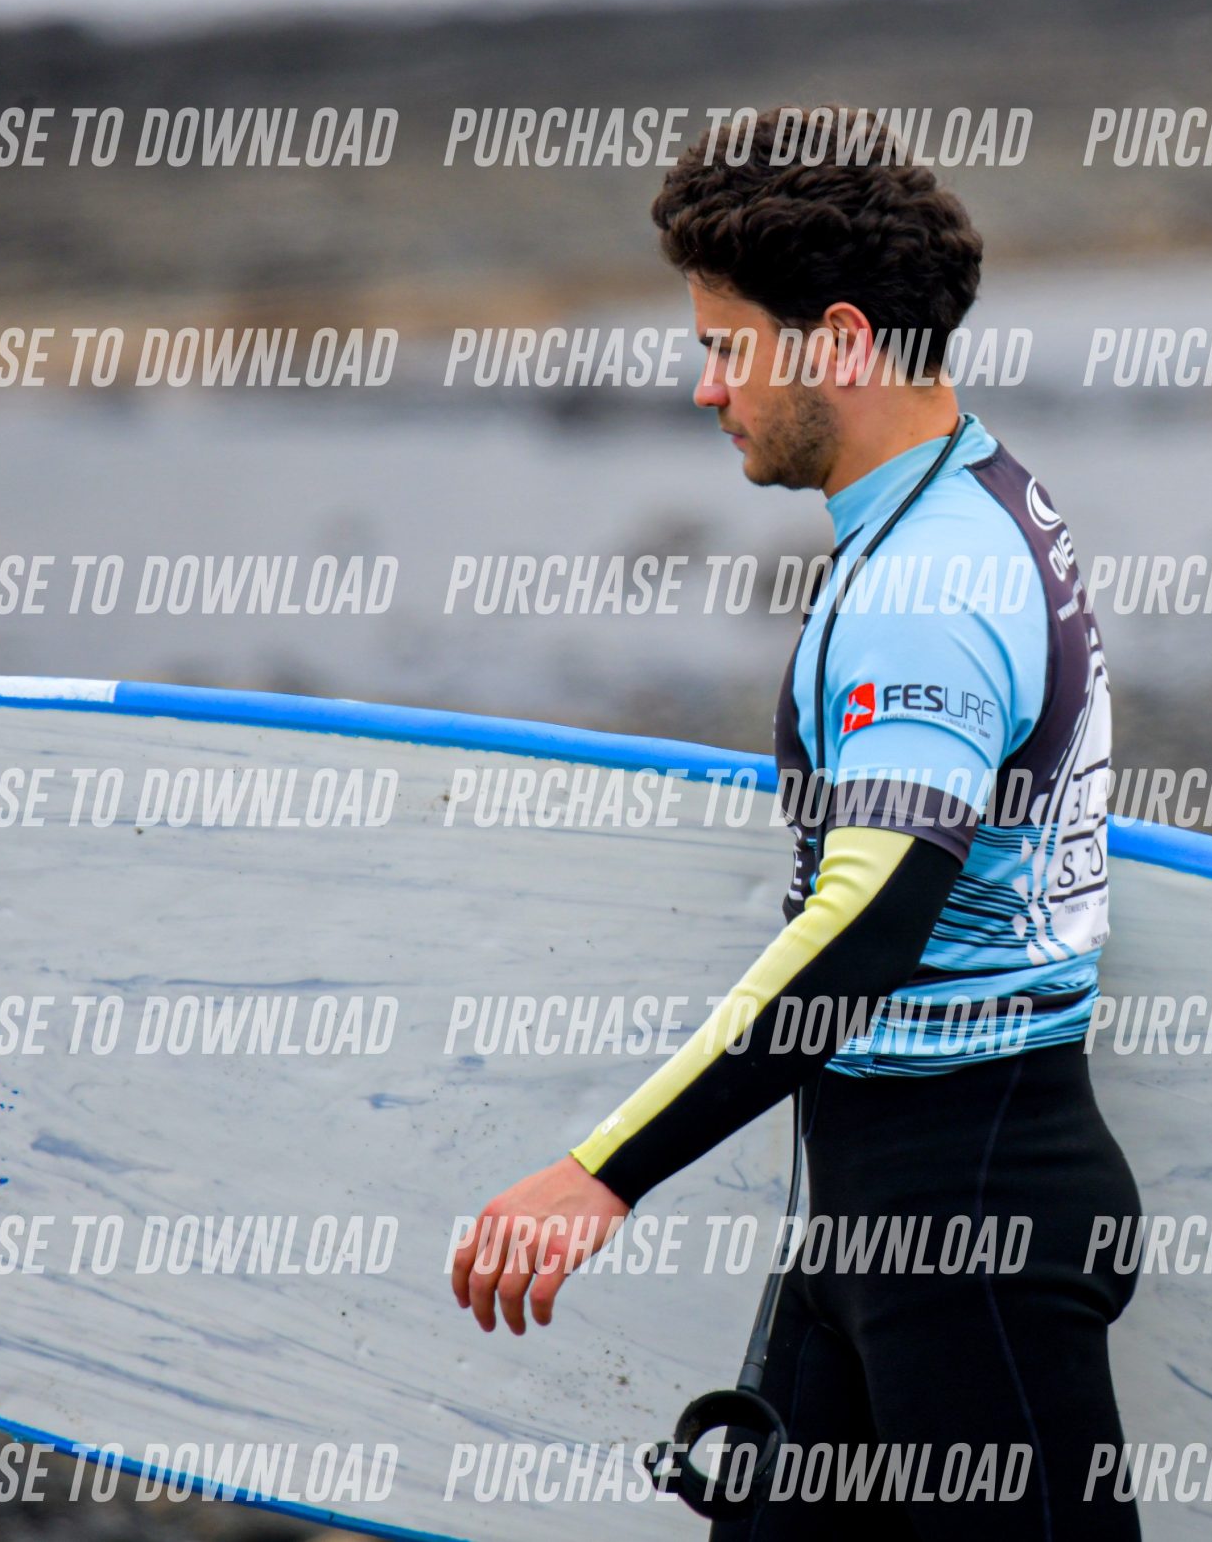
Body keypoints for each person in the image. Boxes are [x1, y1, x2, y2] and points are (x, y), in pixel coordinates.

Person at [451, 106, 1140, 1539]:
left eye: (726, 348)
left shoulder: (930, 587)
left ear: (838, 341)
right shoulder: (965, 496)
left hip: (966, 1227)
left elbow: (871, 921)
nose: (707, 390)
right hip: (883, 1202)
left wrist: (602, 1174)